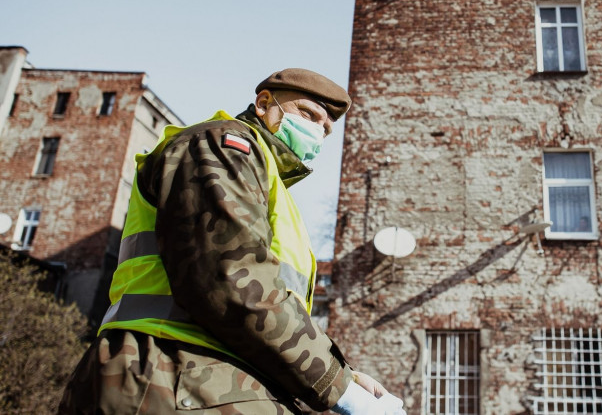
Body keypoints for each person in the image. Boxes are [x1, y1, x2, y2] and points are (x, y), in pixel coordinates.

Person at [60, 69, 403, 415]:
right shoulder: (224, 146)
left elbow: (274, 308)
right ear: (264, 102)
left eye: (326, 129)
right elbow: (234, 280)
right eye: (308, 114)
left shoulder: (271, 185)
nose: (317, 130)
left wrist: (342, 375)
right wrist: (337, 386)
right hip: (168, 376)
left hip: (205, 384)